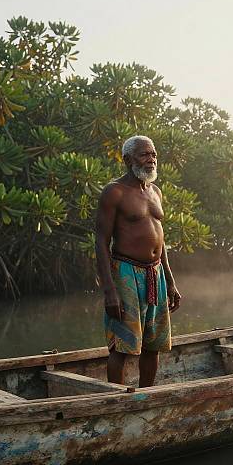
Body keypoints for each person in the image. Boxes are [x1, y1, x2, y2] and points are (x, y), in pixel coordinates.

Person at [95, 135, 181, 387]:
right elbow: (101, 242)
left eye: (153, 154)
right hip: (125, 273)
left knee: (152, 345)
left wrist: (171, 281)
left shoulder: (155, 191)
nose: (151, 159)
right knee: (122, 346)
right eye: (145, 154)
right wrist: (109, 291)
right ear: (128, 159)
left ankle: (146, 396)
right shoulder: (115, 192)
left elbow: (160, 242)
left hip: (155, 275)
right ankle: (116, 400)